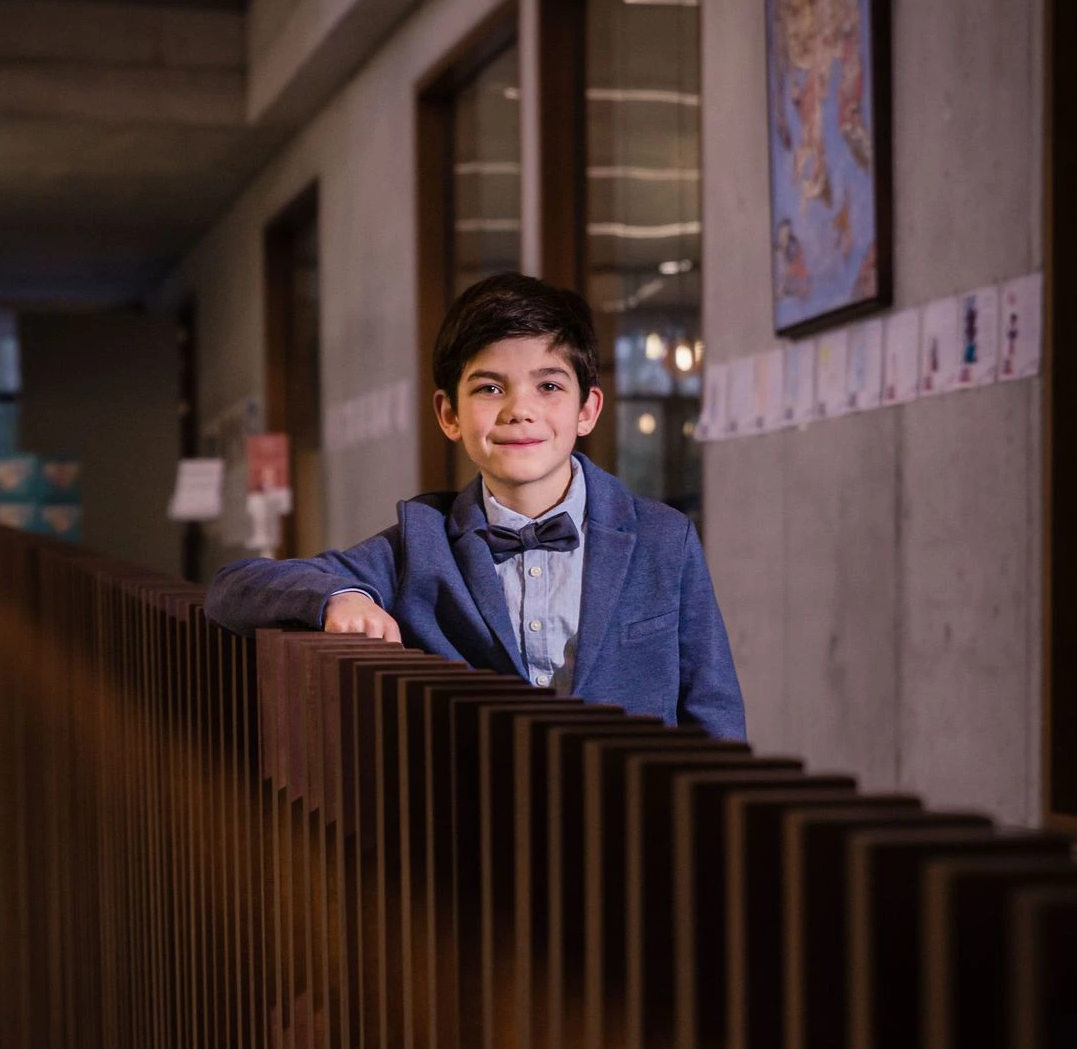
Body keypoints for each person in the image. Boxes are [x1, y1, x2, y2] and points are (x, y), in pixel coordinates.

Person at [205, 273, 746, 739]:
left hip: (634, 829)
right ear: (449, 415)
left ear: (588, 409)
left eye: (549, 386)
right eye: (489, 388)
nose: (519, 411)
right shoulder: (421, 542)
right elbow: (233, 588)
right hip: (474, 835)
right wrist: (339, 598)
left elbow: (713, 710)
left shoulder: (663, 538)